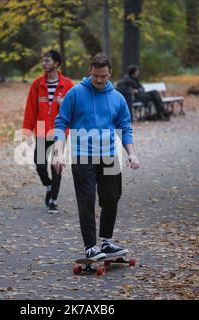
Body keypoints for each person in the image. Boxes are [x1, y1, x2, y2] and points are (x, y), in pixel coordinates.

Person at [53, 53, 140, 260]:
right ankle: (91, 246)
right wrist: (58, 153)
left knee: (111, 198)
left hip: (109, 155)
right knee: (87, 199)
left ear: (110, 73)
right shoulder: (75, 94)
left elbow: (125, 128)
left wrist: (132, 153)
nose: (99, 80)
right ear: (89, 72)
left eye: (103, 76)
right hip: (83, 156)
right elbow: (61, 123)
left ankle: (106, 242)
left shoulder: (117, 98)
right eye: (95, 76)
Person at [22, 50, 74, 214]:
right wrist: (27, 129)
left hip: (60, 129)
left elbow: (75, 108)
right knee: (40, 164)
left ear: (56, 64)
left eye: (47, 61)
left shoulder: (68, 85)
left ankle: (53, 200)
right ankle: (49, 186)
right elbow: (31, 107)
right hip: (42, 129)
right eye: (43, 61)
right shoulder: (37, 84)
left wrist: (64, 103)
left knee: (56, 165)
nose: (44, 63)